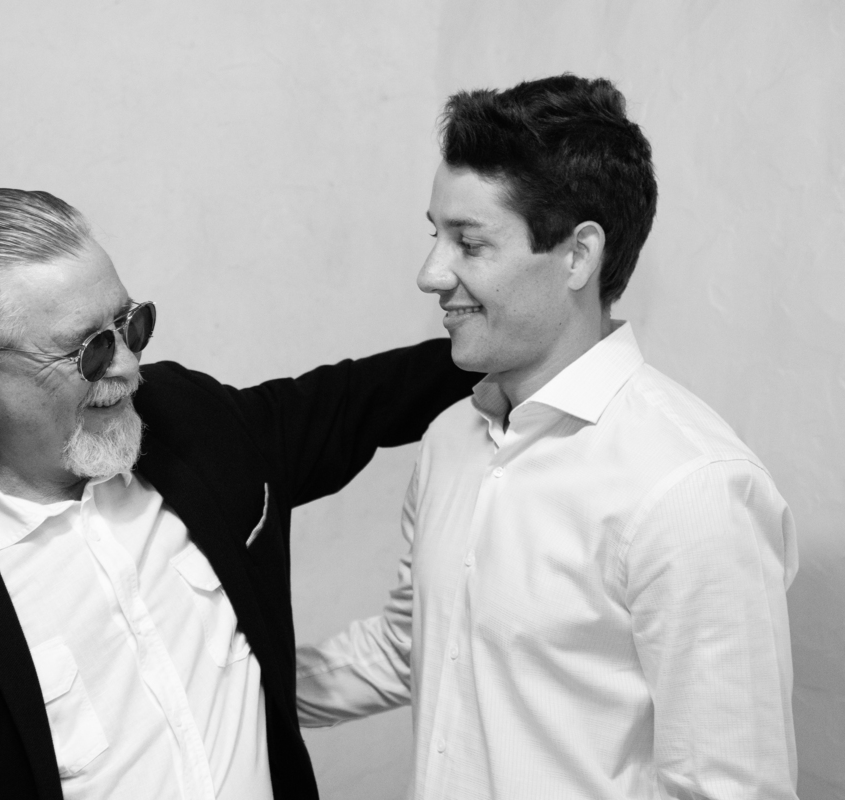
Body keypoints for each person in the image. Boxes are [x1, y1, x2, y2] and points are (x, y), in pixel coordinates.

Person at [0, 188, 476, 800]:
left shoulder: (191, 422)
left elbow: (360, 401)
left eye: (131, 326)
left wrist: (516, 340)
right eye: (90, 350)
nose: (129, 367)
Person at [295, 75, 799, 799]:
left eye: (469, 242)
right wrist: (214, 678)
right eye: (436, 235)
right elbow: (417, 642)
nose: (430, 274)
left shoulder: (693, 490)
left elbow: (729, 787)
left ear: (577, 255)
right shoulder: (450, 439)